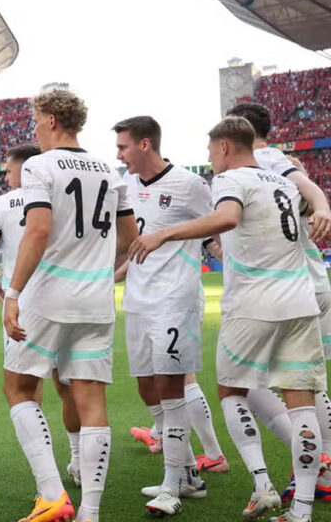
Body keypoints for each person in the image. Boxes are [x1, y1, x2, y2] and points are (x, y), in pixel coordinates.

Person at [130, 116, 326, 522]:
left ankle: (262, 484)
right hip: (300, 303)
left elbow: (228, 218)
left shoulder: (230, 180)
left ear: (223, 147)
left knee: (231, 392)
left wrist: (164, 234)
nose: (210, 159)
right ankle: (302, 510)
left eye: (210, 150)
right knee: (301, 405)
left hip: (253, 304)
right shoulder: (285, 182)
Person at [3, 89, 137, 522]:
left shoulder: (39, 165)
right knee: (91, 398)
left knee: (19, 387)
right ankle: (90, 512)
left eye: (37, 120)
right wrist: (96, 268)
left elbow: (38, 231)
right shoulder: (110, 171)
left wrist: (12, 293)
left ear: (52, 120)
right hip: (96, 299)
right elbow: (130, 239)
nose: (36, 128)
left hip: (48, 295)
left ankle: (52, 494)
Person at [112, 115, 224, 516]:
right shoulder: (124, 187)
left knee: (172, 388)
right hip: (138, 301)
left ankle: (173, 485)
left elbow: (217, 229)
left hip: (175, 299)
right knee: (147, 387)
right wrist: (109, 277)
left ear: (145, 144)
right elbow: (132, 246)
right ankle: (189, 474)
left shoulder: (189, 185)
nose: (118, 155)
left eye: (123, 146)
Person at [228, 102, 331, 504]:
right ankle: (323, 470)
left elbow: (306, 189)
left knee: (247, 384)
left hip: (288, 286)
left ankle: (317, 465)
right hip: (308, 280)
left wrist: (321, 205)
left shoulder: (265, 160)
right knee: (306, 384)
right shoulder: (277, 162)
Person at [0, 142, 86, 489]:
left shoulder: (1, 204)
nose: (6, 175)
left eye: (8, 169)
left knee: (24, 388)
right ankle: (78, 461)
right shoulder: (63, 194)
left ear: (23, 168)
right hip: (70, 297)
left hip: (25, 302)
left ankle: (46, 477)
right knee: (68, 386)